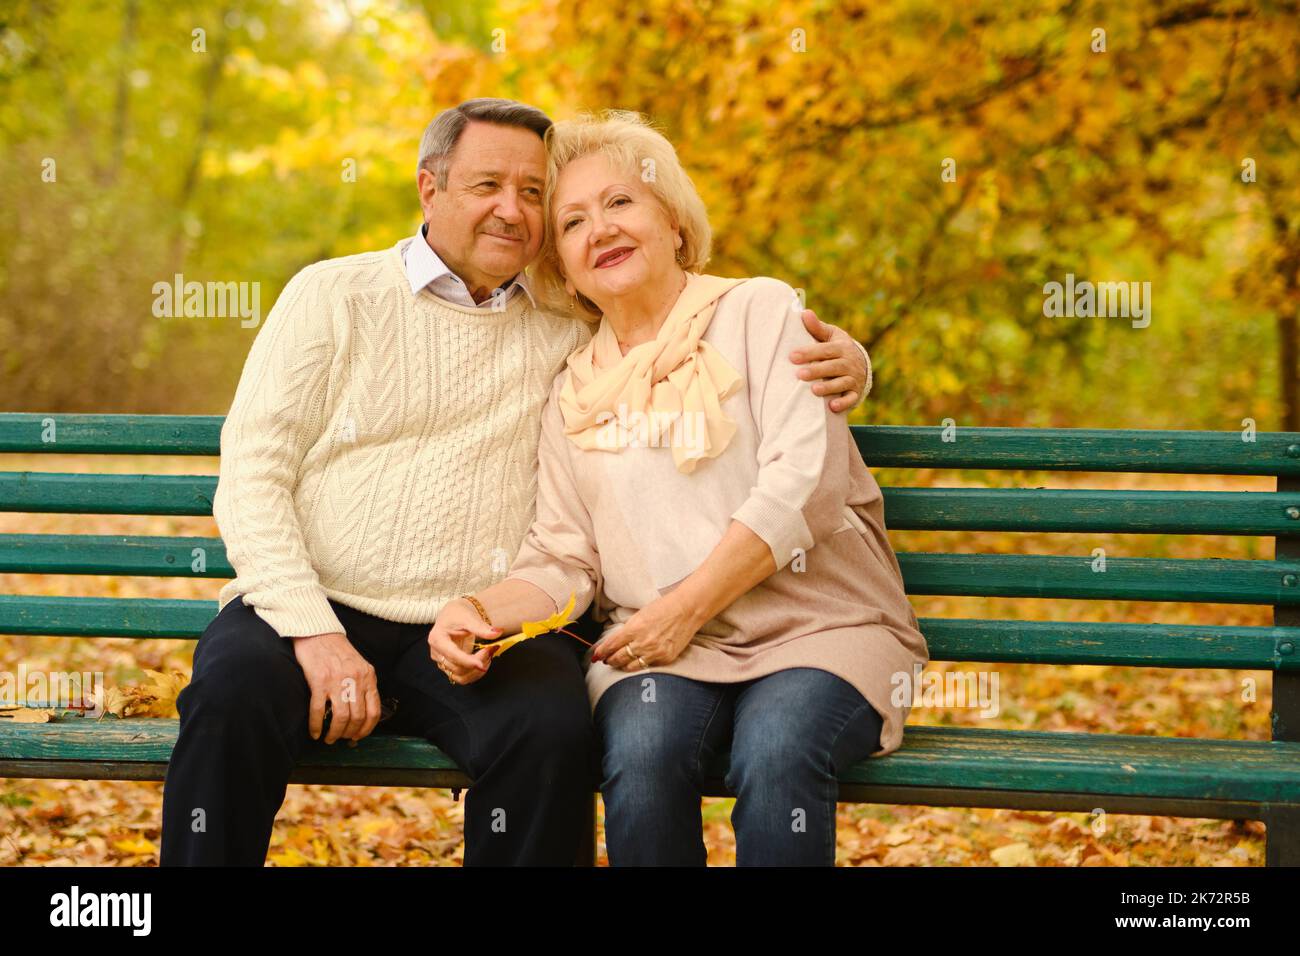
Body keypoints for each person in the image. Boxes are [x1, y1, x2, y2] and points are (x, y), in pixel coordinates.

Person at [160, 98, 873, 866]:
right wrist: (314, 631)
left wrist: (851, 363)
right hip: (316, 601)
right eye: (487, 185)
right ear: (429, 189)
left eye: (533, 193)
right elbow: (253, 474)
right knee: (230, 696)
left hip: (484, 624)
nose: (512, 209)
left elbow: (687, 322)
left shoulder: (568, 324)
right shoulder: (332, 296)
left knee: (550, 727)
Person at [429, 110, 927, 866]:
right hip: (666, 654)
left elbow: (803, 486)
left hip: (819, 629)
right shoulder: (575, 384)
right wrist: (479, 611)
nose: (600, 228)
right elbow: (564, 555)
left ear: (675, 225)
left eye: (621, 202)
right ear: (561, 266)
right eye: (571, 221)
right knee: (643, 753)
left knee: (779, 748)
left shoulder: (762, 312)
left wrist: (681, 607)